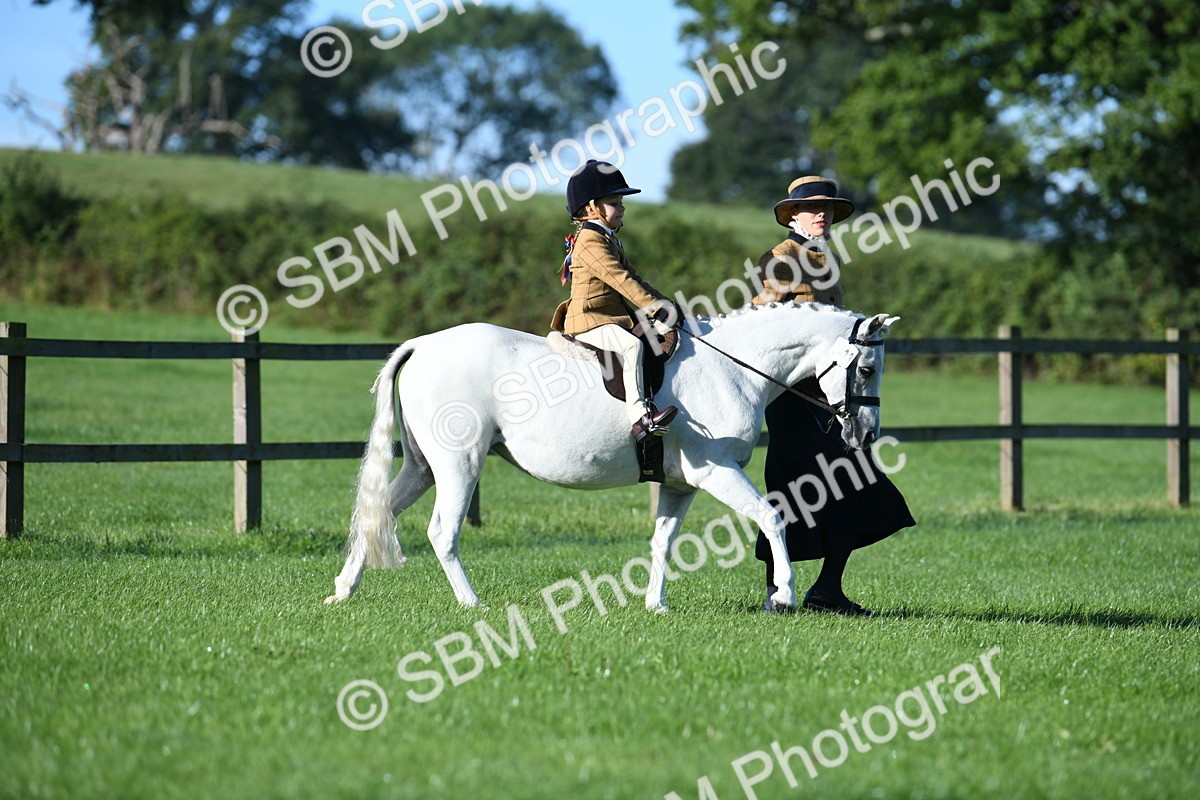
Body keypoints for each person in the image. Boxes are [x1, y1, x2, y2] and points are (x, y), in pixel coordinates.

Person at [751, 176, 916, 616]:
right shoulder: (782, 257)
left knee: (860, 481)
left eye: (828, 208)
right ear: (793, 214)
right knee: (789, 489)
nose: (822, 214)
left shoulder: (827, 256)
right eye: (813, 208)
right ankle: (776, 592)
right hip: (792, 397)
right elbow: (761, 320)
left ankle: (827, 590)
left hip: (832, 393)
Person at [551, 160, 680, 441]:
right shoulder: (590, 241)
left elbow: (635, 277)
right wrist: (652, 307)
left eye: (621, 202)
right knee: (632, 345)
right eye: (613, 203)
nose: (622, 208)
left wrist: (663, 302)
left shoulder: (609, 238)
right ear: (590, 208)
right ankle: (640, 418)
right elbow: (620, 280)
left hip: (610, 317)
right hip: (590, 319)